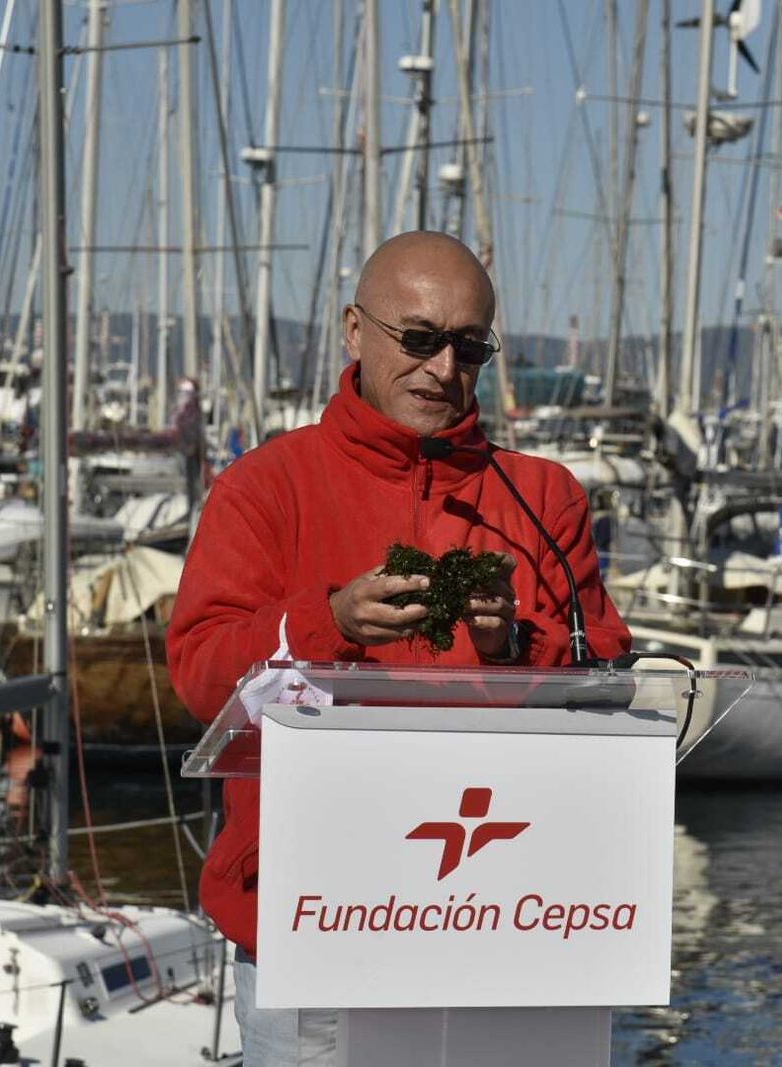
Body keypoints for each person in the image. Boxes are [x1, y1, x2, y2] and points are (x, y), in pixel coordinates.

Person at [167, 231, 631, 1066]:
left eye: (469, 346)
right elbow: (202, 677)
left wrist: (511, 644)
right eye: (418, 339)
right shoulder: (265, 487)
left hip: (508, 920)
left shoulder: (543, 497)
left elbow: (603, 673)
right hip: (314, 933)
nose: (443, 369)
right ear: (354, 330)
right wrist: (328, 622)